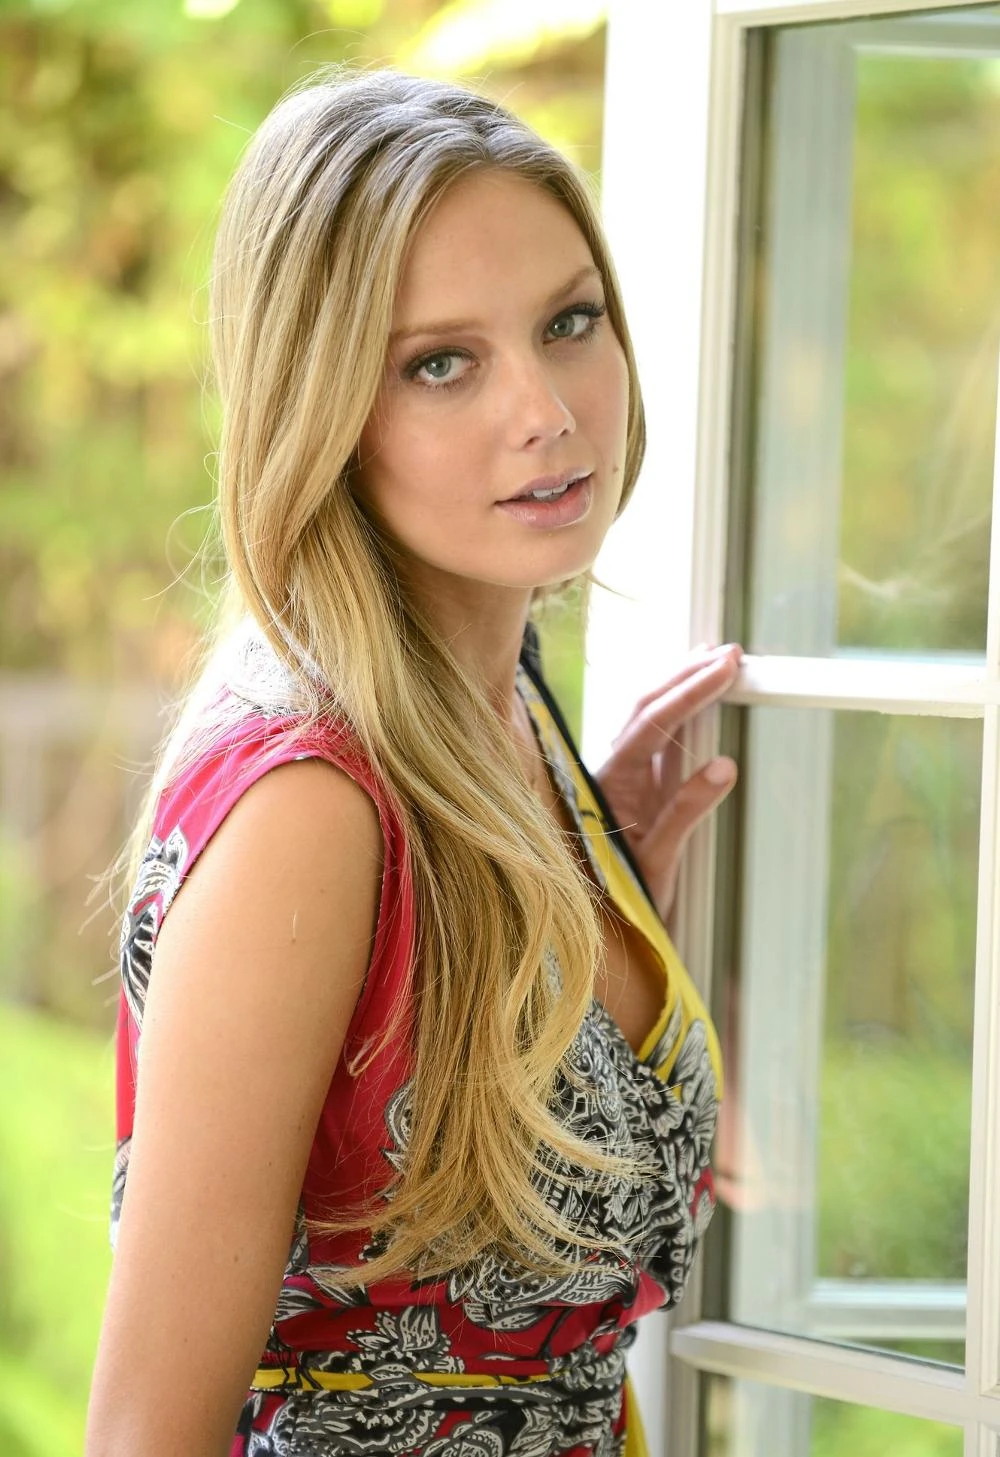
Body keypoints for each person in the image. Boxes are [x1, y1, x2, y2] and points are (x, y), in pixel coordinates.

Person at [84, 65, 742, 1457]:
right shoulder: (310, 808)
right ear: (319, 407)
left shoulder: (507, 716)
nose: (547, 410)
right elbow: (147, 1434)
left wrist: (596, 891)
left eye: (569, 321)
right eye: (442, 362)